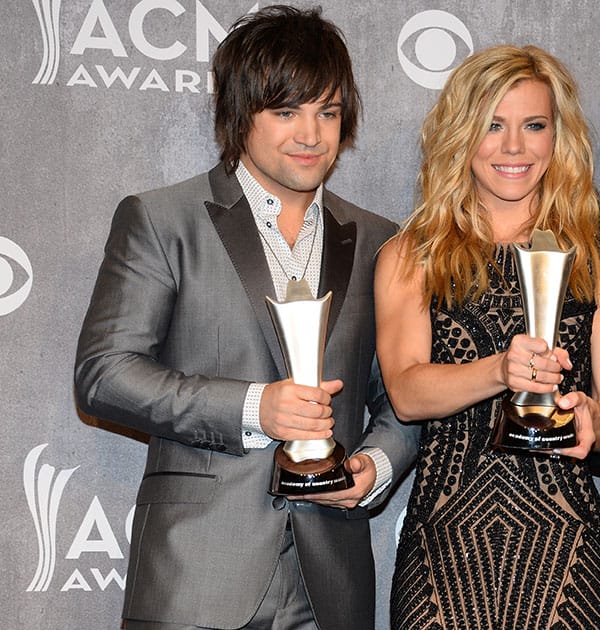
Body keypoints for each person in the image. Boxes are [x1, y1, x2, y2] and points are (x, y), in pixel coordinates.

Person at [74, 6, 418, 629]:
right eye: (285, 111)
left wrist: (376, 466)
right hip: (196, 576)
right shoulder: (163, 220)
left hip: (330, 584)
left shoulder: (379, 242)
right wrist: (257, 408)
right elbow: (104, 373)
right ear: (239, 114)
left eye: (328, 112)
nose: (310, 135)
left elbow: (402, 394)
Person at [375, 45, 600, 628]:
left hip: (567, 548)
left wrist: (595, 415)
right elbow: (406, 392)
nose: (514, 147)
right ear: (462, 135)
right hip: (443, 548)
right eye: (492, 125)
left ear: (558, 137)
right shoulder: (412, 255)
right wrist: (499, 370)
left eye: (534, 126)